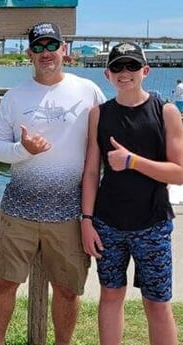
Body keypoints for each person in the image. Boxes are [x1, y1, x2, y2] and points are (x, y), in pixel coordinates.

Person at [0, 22, 106, 345]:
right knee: (4, 282)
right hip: (18, 210)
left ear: (64, 49)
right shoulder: (13, 97)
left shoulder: (89, 92)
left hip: (70, 212)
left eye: (52, 45)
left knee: (67, 290)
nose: (46, 53)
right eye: (38, 47)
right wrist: (22, 150)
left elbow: (105, 145)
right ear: (29, 54)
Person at [81, 42, 183, 345]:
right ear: (107, 75)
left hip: (152, 224)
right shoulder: (98, 114)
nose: (125, 73)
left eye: (132, 66)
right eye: (117, 67)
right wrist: (86, 220)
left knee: (157, 303)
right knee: (111, 295)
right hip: (108, 224)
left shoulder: (166, 111)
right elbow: (90, 172)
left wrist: (132, 162)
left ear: (145, 71)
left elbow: (178, 171)